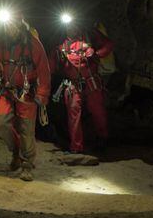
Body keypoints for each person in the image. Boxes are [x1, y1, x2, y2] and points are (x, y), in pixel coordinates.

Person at [0, 9, 51, 181]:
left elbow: (43, 69)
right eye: (7, 25)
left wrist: (42, 93)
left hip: (27, 92)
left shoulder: (32, 44)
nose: (10, 29)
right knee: (0, 123)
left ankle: (26, 164)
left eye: (12, 25)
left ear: (20, 25)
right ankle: (16, 155)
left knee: (26, 129)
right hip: (7, 90)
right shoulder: (0, 43)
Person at [49, 18, 114, 154]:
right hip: (72, 84)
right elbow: (51, 67)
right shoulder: (60, 46)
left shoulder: (90, 35)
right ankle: (76, 147)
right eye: (68, 26)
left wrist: (97, 54)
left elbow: (108, 45)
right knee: (73, 112)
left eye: (73, 25)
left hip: (92, 82)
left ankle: (102, 139)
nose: (71, 28)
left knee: (97, 111)